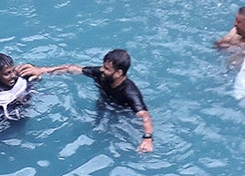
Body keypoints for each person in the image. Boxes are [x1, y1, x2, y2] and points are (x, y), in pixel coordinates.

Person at [19, 49, 154, 152]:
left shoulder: (130, 92)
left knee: (112, 135)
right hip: (104, 103)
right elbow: (71, 68)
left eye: (107, 69)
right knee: (96, 128)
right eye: (103, 66)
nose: (102, 69)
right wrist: (41, 70)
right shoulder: (101, 74)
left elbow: (144, 115)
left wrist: (147, 138)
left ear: (118, 73)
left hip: (121, 112)